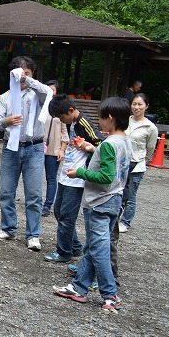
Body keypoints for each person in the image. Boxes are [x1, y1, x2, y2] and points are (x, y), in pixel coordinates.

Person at [53, 97, 131, 312]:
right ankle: (79, 287)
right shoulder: (125, 141)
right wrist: (90, 149)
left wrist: (81, 172)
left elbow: (105, 176)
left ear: (111, 118)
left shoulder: (108, 144)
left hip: (99, 203)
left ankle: (110, 293)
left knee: (99, 249)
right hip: (114, 200)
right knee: (92, 247)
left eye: (101, 117)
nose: (99, 122)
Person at [0, 56, 52, 251]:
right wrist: (7, 121)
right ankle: (8, 228)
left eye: (28, 72)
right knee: (6, 191)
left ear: (33, 74)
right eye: (19, 72)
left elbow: (48, 92)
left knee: (34, 194)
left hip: (34, 147)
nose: (23, 76)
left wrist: (28, 80)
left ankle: (33, 235)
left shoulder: (38, 95)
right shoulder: (5, 97)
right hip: (11, 147)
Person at [43, 94, 104, 265]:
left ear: (70, 110)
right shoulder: (72, 123)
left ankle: (64, 252)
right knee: (58, 211)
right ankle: (75, 246)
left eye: (62, 117)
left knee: (67, 216)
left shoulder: (84, 123)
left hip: (77, 178)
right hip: (66, 175)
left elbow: (103, 143)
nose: (62, 121)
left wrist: (88, 147)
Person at [119, 92, 157, 232]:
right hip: (122, 161)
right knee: (119, 190)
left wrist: (144, 158)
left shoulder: (150, 127)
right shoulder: (125, 120)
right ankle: (116, 217)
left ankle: (126, 222)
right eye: (134, 104)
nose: (136, 107)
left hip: (137, 163)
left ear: (146, 106)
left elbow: (151, 147)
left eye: (140, 104)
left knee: (131, 194)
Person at [42, 80, 68, 217]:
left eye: (53, 89)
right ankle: (35, 202)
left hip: (54, 149)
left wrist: (62, 150)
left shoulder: (61, 109)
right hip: (38, 146)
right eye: (48, 89)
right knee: (34, 176)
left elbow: (65, 132)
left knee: (51, 178)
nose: (51, 92)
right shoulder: (40, 105)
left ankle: (47, 205)